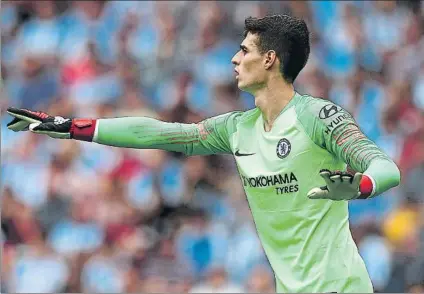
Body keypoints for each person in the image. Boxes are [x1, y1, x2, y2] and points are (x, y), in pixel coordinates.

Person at [6, 14, 400, 293]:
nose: (234, 58)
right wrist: (73, 126)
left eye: (244, 50)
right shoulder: (236, 128)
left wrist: (361, 186)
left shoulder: (318, 116)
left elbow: (385, 167)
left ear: (269, 60)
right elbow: (161, 134)